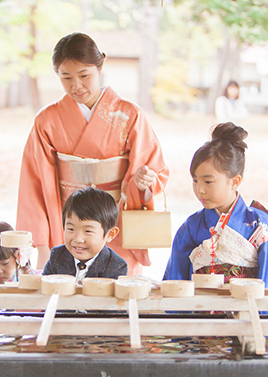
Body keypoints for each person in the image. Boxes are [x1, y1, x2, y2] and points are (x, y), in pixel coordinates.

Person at [16, 32, 169, 275]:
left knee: (117, 292)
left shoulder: (130, 115)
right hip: (70, 226)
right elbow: (34, 184)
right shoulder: (47, 120)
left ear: (100, 66)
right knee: (64, 293)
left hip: (114, 224)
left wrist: (144, 181)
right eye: (66, 77)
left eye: (84, 75)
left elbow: (153, 170)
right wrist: (43, 244)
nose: (76, 86)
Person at [163, 122, 268, 311]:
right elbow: (176, 284)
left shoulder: (260, 226)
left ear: (235, 181)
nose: (200, 189)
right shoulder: (191, 227)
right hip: (200, 324)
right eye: (195, 180)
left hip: (248, 320)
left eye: (208, 181)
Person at [42, 187, 127, 282]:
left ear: (110, 234)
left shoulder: (116, 266)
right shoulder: (57, 256)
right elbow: (45, 289)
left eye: (88, 231)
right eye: (71, 229)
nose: (78, 239)